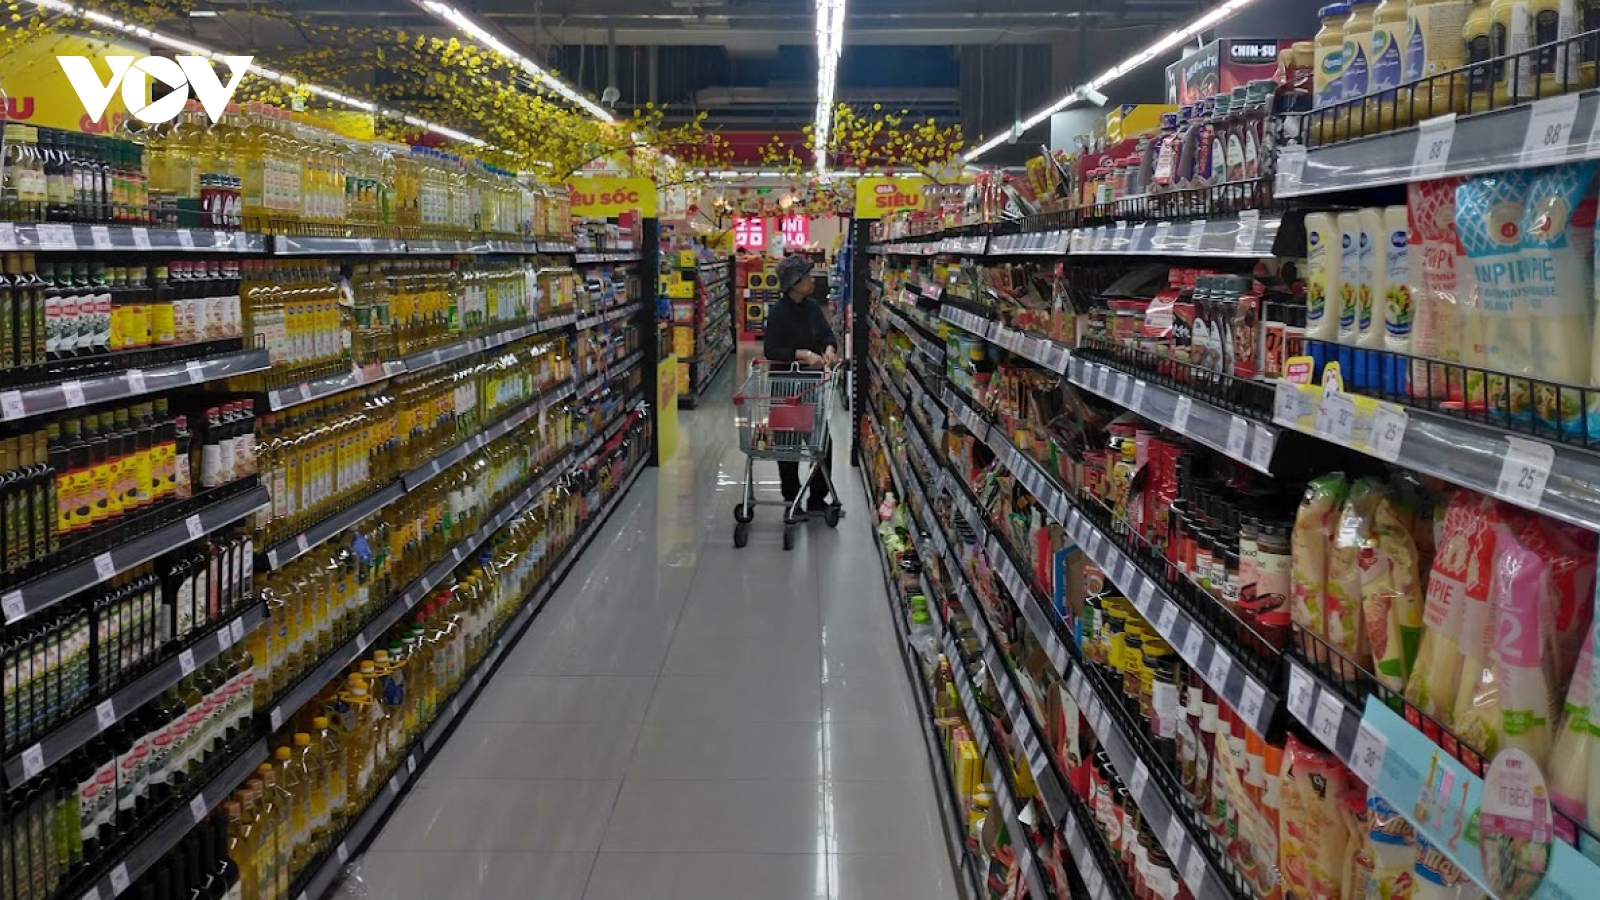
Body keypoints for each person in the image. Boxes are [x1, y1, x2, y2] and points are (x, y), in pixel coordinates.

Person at [763, 254, 838, 519]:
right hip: (785, 388)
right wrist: (803, 354)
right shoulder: (778, 313)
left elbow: (827, 335)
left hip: (810, 386)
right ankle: (792, 500)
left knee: (822, 444)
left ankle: (817, 499)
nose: (812, 280)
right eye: (807, 277)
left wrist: (829, 349)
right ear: (794, 283)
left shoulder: (813, 308)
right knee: (788, 446)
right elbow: (772, 350)